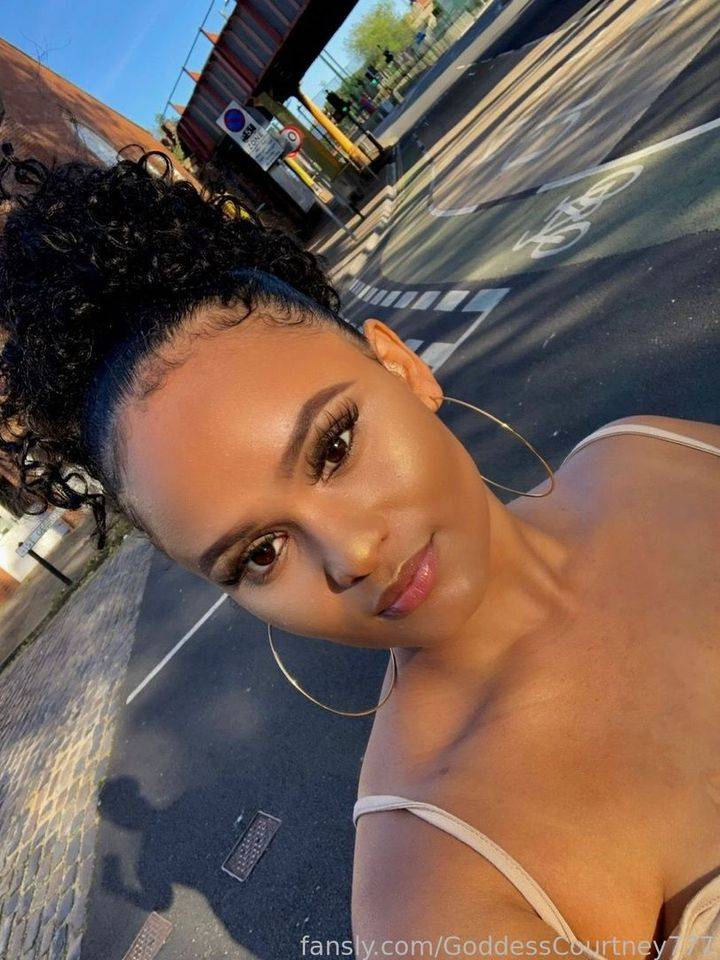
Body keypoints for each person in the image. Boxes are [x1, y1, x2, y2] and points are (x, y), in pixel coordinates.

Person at [1, 149, 719, 960]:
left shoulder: (647, 453)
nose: (351, 554)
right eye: (260, 554)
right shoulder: (443, 891)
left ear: (403, 368)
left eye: (335, 446)